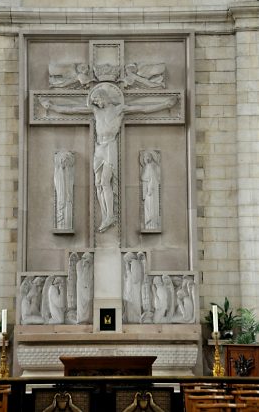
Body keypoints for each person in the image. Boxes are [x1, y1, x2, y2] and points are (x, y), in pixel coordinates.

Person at [39, 83, 177, 232]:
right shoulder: (95, 111)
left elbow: (142, 108)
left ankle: (110, 215)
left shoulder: (118, 110)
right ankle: (106, 215)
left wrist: (164, 104)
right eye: (94, 101)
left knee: (105, 181)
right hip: (99, 147)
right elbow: (72, 110)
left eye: (97, 100)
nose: (96, 103)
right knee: (98, 183)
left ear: (103, 97)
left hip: (110, 146)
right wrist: (52, 107)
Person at [140, 150, 161, 230]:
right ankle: (150, 224)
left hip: (150, 191)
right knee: (150, 207)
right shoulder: (150, 166)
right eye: (145, 157)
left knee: (150, 207)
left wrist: (149, 190)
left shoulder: (150, 166)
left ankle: (151, 225)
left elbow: (151, 179)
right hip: (150, 190)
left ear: (150, 157)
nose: (145, 159)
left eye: (147, 157)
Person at [76, 252, 93, 324]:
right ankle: (81, 319)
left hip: (88, 287)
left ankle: (88, 318)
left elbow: (90, 278)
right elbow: (82, 278)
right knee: (81, 304)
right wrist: (86, 266)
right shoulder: (79, 264)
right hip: (81, 287)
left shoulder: (91, 266)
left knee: (88, 303)